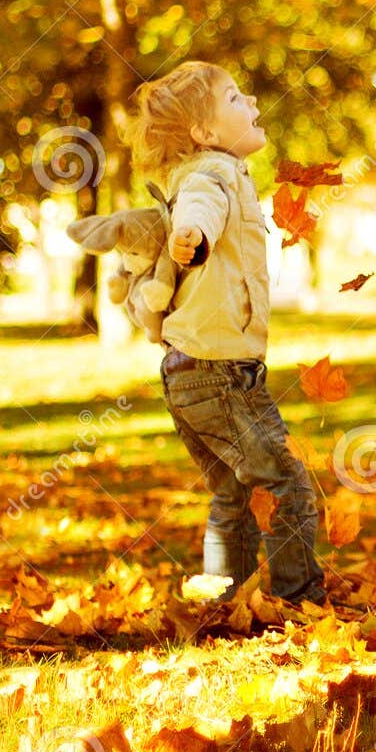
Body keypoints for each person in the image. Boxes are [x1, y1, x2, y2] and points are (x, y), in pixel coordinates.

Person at [126, 60, 328, 606]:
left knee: (233, 493)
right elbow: (201, 209)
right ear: (205, 134)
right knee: (286, 482)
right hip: (219, 373)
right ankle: (299, 603)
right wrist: (193, 232)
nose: (254, 104)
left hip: (191, 369)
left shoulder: (212, 171)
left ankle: (228, 602)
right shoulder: (211, 174)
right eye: (237, 99)